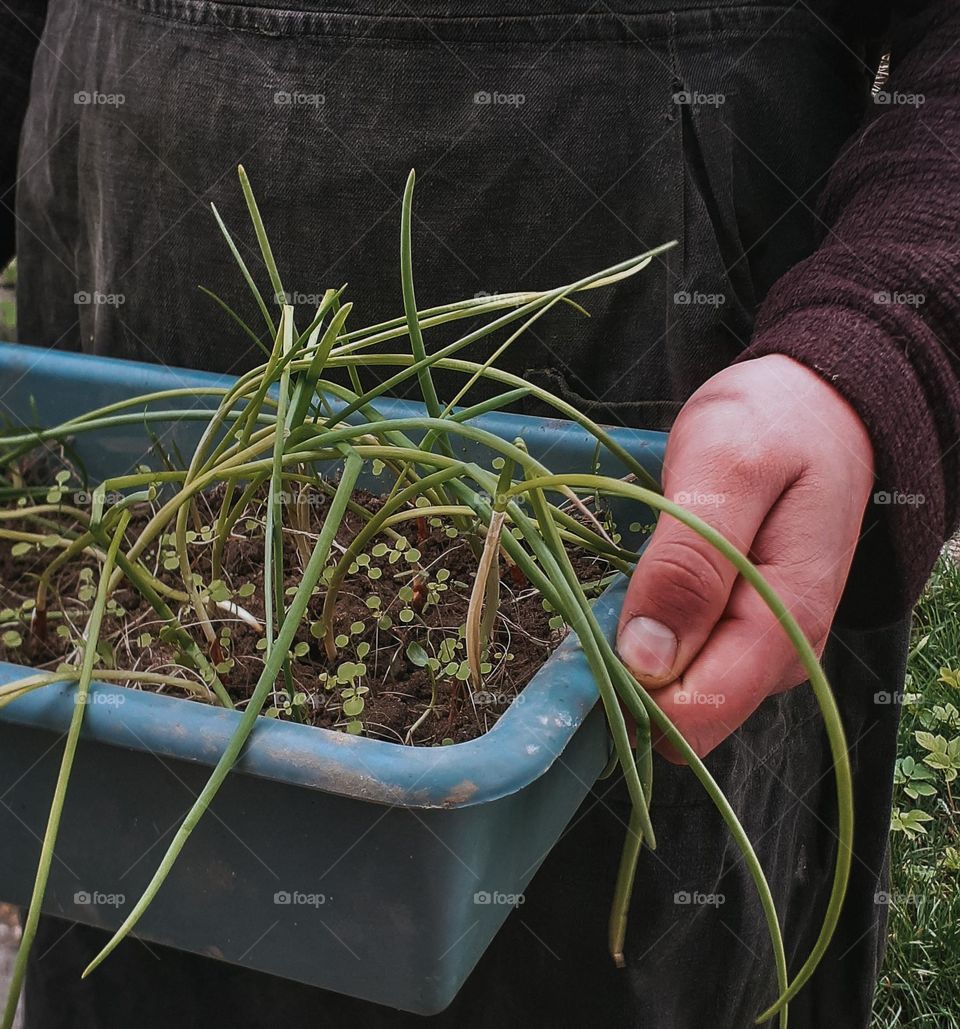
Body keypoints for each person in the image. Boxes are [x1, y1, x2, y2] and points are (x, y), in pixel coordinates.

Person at [1, 2, 958, 1026]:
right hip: (132, 279)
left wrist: (878, 338)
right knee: (128, 886)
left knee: (607, 930)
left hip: (668, 335)